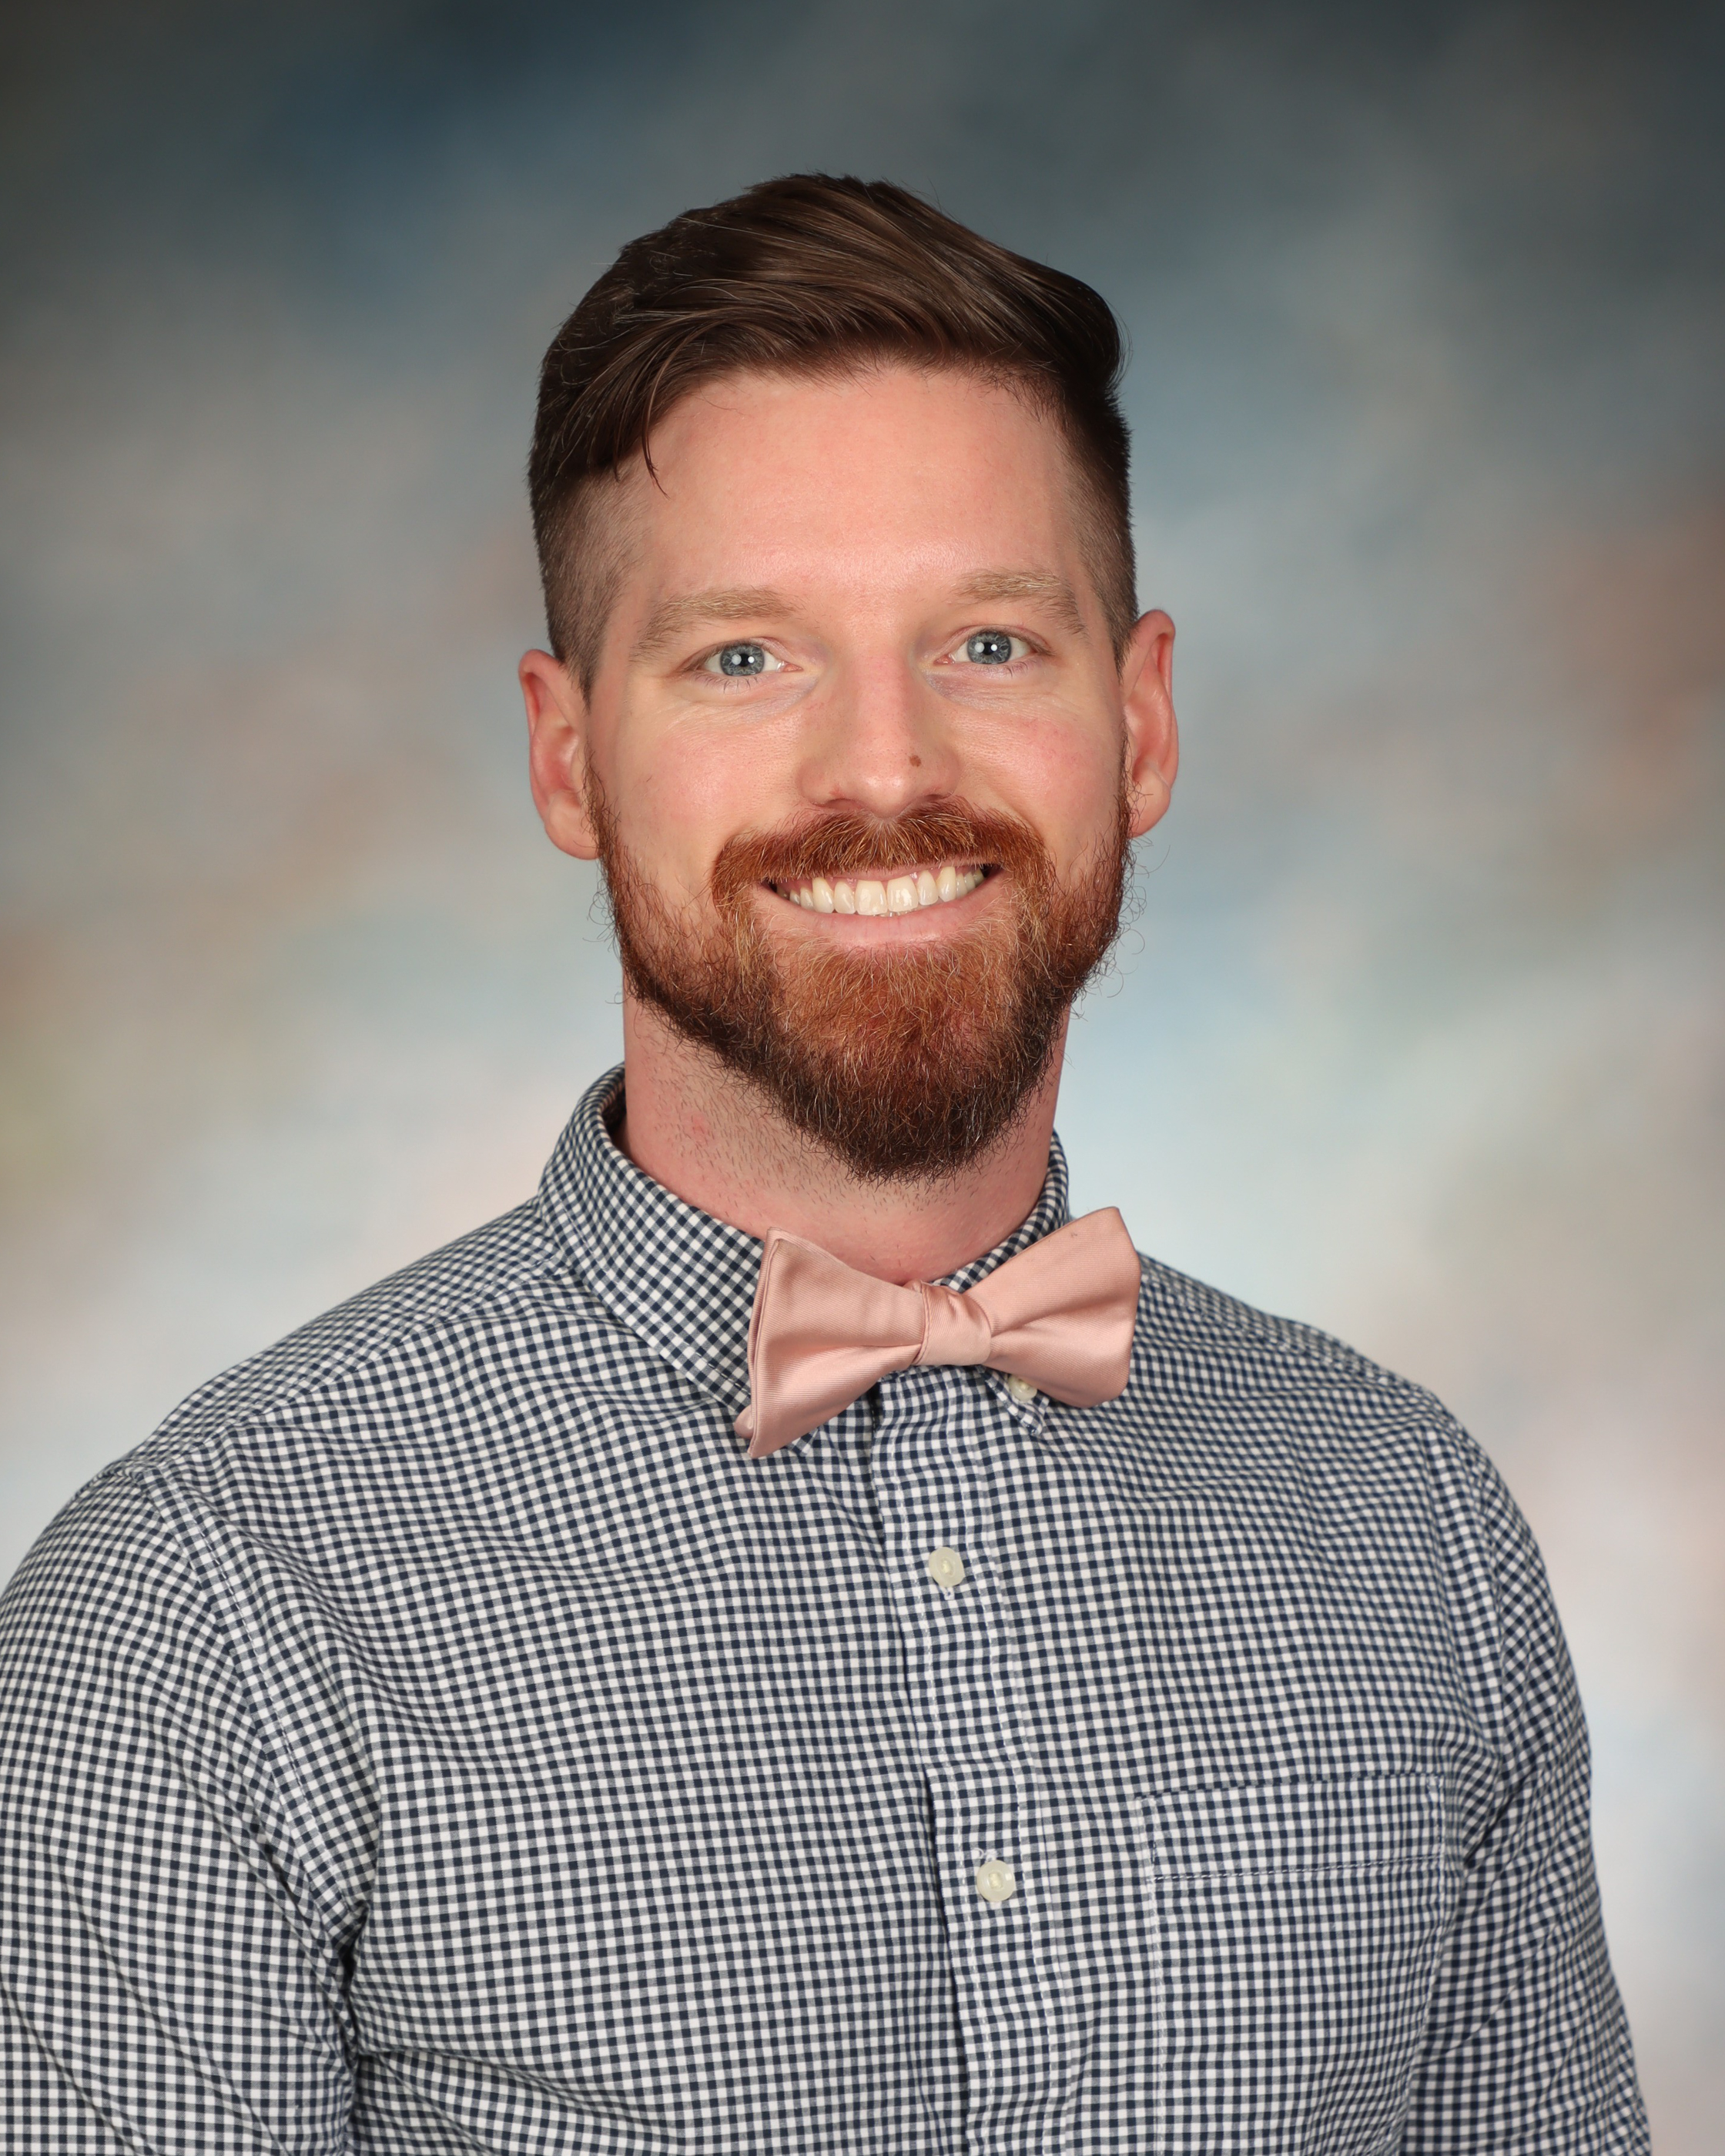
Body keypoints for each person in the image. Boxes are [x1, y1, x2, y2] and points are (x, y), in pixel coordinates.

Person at [0, 175, 1646, 2152]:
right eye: (743, 659)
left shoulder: (1413, 1528)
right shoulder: (193, 1615)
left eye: (986, 640)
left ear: (1138, 723)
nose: (884, 767)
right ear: (565, 755)